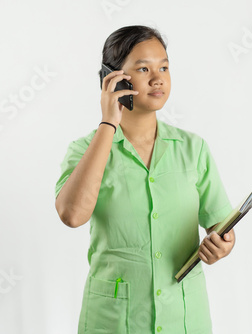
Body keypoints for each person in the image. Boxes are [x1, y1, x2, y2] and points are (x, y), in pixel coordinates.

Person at [55, 25, 236, 334]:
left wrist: (223, 244)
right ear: (113, 79)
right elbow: (72, 215)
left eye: (164, 67)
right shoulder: (85, 150)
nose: (158, 78)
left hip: (184, 318)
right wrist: (108, 123)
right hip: (113, 321)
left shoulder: (194, 149)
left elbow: (220, 225)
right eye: (143, 69)